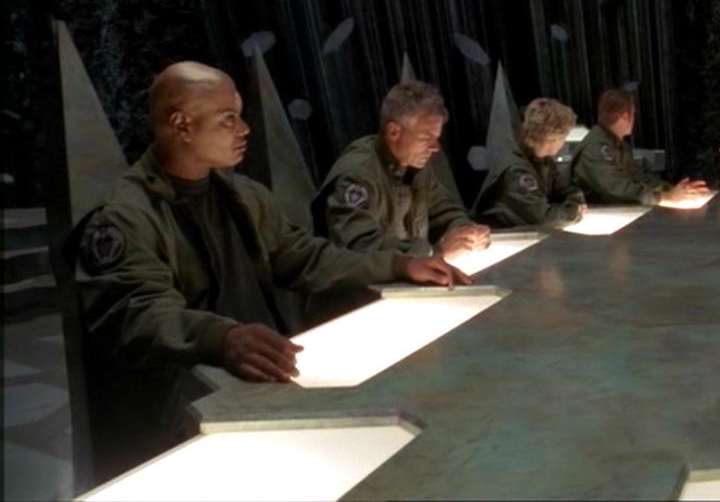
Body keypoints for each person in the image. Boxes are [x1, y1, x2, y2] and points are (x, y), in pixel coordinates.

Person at [74, 61, 469, 481]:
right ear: (182, 125)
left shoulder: (243, 196)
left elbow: (305, 256)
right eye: (228, 118)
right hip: (185, 418)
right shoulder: (125, 218)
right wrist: (222, 337)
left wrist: (398, 264)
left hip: (258, 389)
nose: (245, 129)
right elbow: (138, 310)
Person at [312, 80, 491, 260]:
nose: (435, 148)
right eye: (425, 138)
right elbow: (360, 246)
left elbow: (444, 210)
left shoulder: (415, 164)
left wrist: (465, 232)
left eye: (436, 138)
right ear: (393, 132)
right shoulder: (356, 177)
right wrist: (435, 253)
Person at [571, 89, 708, 206]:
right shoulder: (595, 149)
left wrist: (671, 190)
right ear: (625, 116)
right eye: (633, 114)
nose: (634, 119)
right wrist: (664, 197)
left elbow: (637, 177)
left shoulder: (617, 145)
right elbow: (615, 188)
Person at [474, 97, 587, 228]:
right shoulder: (517, 170)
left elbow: (566, 189)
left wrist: (575, 203)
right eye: (564, 137)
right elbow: (541, 218)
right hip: (500, 233)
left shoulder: (542, 160)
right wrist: (574, 213)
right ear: (553, 138)